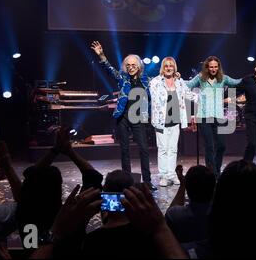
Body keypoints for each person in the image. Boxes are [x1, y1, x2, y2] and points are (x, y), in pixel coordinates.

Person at [91, 41, 156, 191]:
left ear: (139, 66)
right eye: (128, 65)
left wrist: (176, 76)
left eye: (134, 65)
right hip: (123, 116)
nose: (131, 68)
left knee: (144, 149)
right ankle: (126, 181)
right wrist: (102, 55)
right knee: (125, 150)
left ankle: (147, 181)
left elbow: (162, 83)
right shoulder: (122, 78)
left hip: (138, 117)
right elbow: (109, 69)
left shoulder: (147, 80)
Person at [186, 56, 242, 177]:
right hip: (204, 117)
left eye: (216, 67)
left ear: (219, 67)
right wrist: (177, 79)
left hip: (218, 116)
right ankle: (212, 173)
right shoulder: (200, 78)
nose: (213, 69)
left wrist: (253, 78)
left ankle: (216, 169)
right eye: (211, 67)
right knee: (209, 146)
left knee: (221, 145)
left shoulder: (223, 79)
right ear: (207, 67)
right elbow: (188, 84)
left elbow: (237, 82)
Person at [149, 57, 197, 187]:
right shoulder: (156, 82)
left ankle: (171, 174)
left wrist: (204, 98)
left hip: (175, 119)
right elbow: (155, 100)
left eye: (171, 66)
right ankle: (164, 176)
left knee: (173, 149)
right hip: (161, 120)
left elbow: (189, 95)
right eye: (166, 66)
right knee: (163, 149)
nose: (169, 68)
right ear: (162, 68)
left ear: (174, 68)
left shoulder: (180, 82)